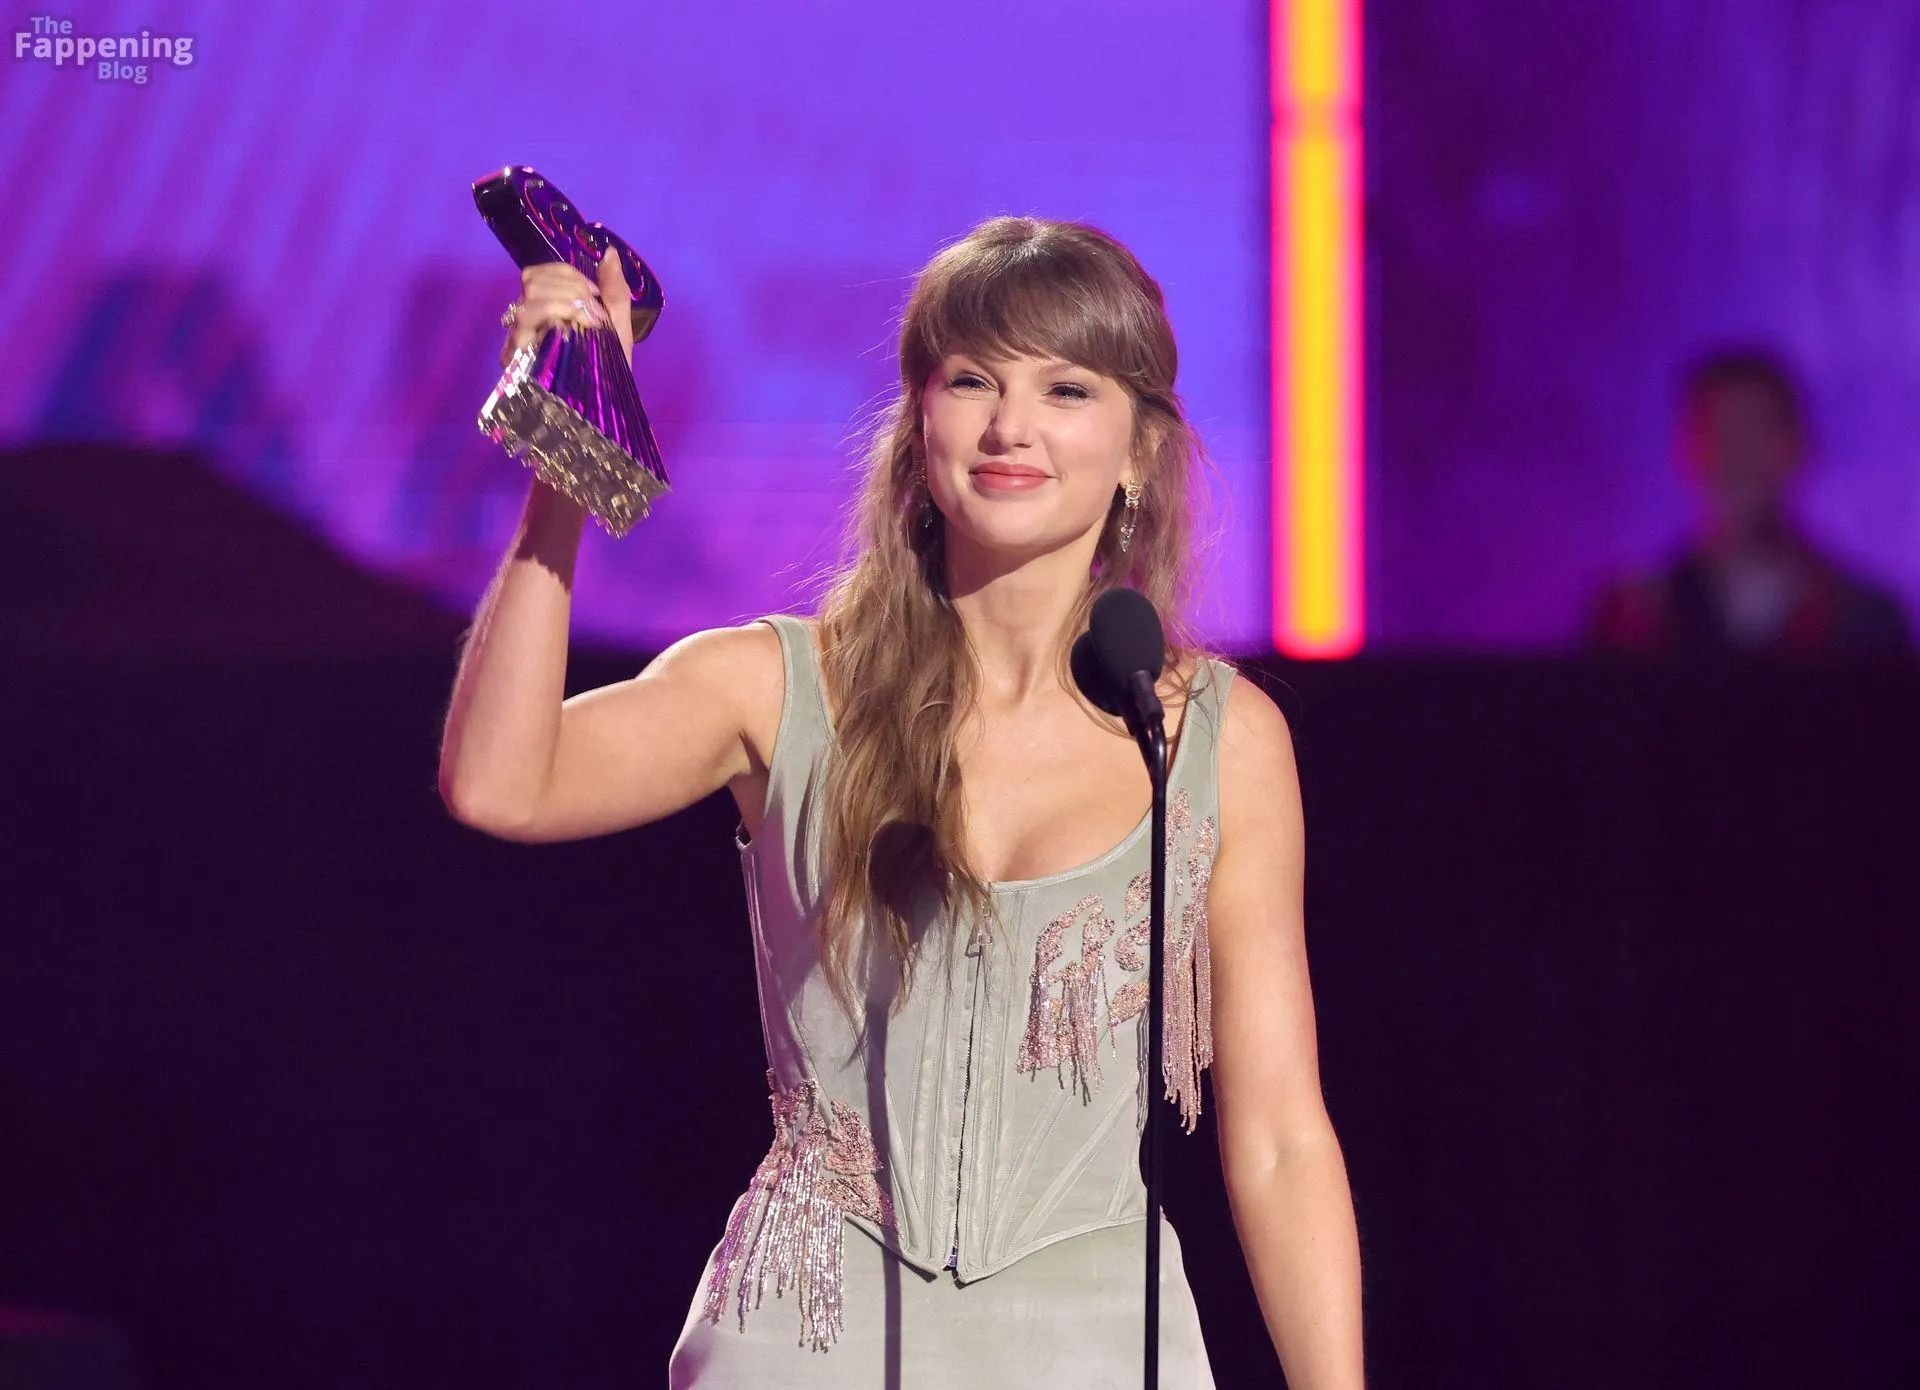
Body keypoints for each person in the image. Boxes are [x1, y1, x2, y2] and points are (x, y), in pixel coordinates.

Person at [438, 217, 1364, 1388]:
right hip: (805, 1339)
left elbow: (1279, 1139)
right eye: (971, 380)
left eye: (1066, 388)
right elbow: (500, 782)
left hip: (1097, 1344)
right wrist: (565, 467)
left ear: (1140, 448)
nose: (1010, 427)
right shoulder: (777, 685)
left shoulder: (1214, 740)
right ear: (919, 424)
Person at [1589, 347, 1911, 656]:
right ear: (1685, 449)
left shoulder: (1863, 620)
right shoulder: (1639, 620)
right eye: (1719, 431)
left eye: (1757, 431)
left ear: (1798, 446)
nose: (1738, 455)